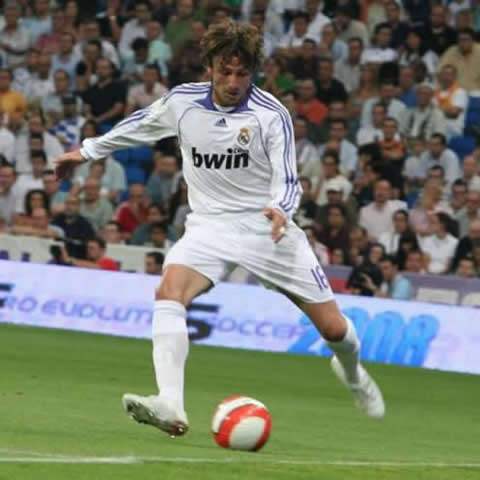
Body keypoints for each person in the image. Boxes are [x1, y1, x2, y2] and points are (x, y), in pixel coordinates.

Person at [56, 20, 385, 437]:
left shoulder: (271, 115)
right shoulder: (183, 102)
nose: (232, 82)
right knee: (168, 292)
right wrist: (85, 152)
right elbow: (136, 126)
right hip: (209, 226)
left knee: (335, 329)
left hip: (266, 228)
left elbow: (288, 179)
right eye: (224, 71)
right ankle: (171, 404)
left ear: (253, 72)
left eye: (241, 73)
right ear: (209, 66)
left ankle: (354, 375)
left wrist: (283, 210)